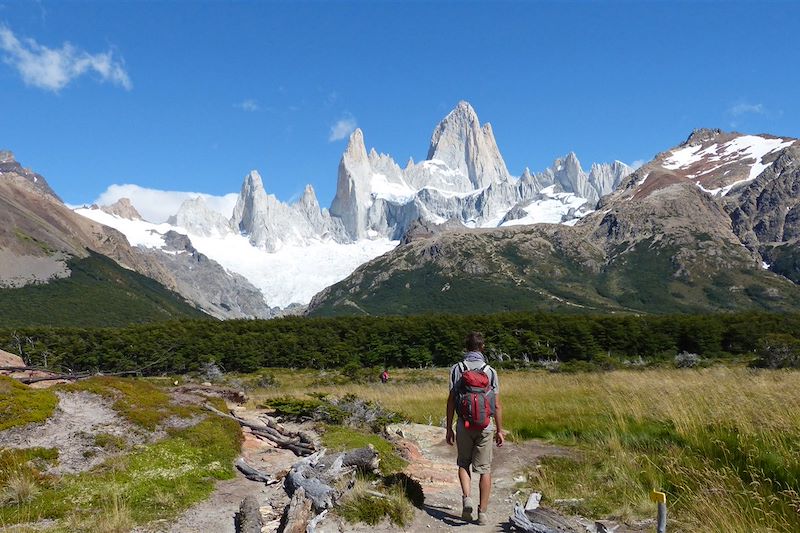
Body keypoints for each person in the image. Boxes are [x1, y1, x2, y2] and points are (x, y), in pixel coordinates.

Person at [446, 331, 504, 525]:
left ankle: (467, 498)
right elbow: (496, 404)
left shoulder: (457, 368)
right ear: (482, 347)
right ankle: (483, 513)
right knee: (485, 469)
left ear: (466, 347)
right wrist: (500, 430)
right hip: (486, 425)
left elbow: (451, 400)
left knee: (463, 463)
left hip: (464, 424)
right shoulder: (490, 371)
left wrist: (448, 428)